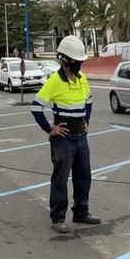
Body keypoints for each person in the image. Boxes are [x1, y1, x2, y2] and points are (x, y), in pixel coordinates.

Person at [31, 35, 102, 234]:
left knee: (84, 177)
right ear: (64, 61)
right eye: (76, 62)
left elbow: (88, 101)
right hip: (63, 140)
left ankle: (81, 212)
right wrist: (50, 128)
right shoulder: (55, 81)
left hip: (81, 137)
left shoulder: (81, 78)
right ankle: (58, 218)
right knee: (60, 179)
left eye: (80, 62)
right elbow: (36, 107)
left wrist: (86, 121)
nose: (79, 65)